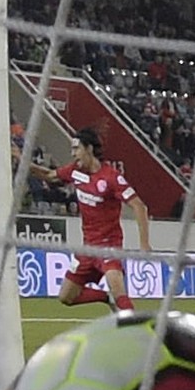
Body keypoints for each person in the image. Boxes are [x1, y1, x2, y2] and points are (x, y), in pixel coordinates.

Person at [25, 129, 151, 312]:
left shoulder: (111, 178)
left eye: (76, 148)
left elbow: (140, 206)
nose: (73, 153)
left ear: (89, 149)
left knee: (118, 290)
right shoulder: (75, 172)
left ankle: (140, 333)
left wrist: (144, 244)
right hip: (87, 248)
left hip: (109, 246)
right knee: (66, 297)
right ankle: (105, 297)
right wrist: (24, 163)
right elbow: (49, 175)